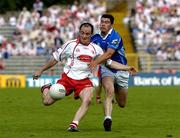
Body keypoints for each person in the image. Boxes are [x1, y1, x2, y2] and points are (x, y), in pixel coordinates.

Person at [33, 22, 136, 132]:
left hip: (84, 81)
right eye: (82, 33)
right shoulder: (70, 45)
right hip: (67, 79)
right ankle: (46, 89)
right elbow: (55, 59)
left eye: (87, 34)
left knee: (87, 100)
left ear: (91, 35)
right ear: (79, 32)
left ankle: (74, 125)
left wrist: (127, 68)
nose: (84, 36)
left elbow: (109, 63)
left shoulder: (96, 49)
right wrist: (41, 70)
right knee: (47, 102)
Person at [90, 14, 132, 131]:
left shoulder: (115, 36)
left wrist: (95, 62)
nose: (103, 24)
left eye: (106, 22)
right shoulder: (95, 38)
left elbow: (108, 54)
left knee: (122, 103)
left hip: (121, 70)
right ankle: (107, 118)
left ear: (111, 25)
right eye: (102, 22)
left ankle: (115, 96)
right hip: (107, 69)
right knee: (109, 91)